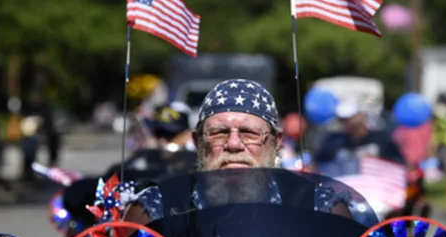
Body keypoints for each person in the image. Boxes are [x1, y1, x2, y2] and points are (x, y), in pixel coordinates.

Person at [121, 79, 359, 225]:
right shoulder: (156, 208)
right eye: (219, 133)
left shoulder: (320, 207)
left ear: (277, 141)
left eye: (249, 133)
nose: (234, 144)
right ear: (197, 141)